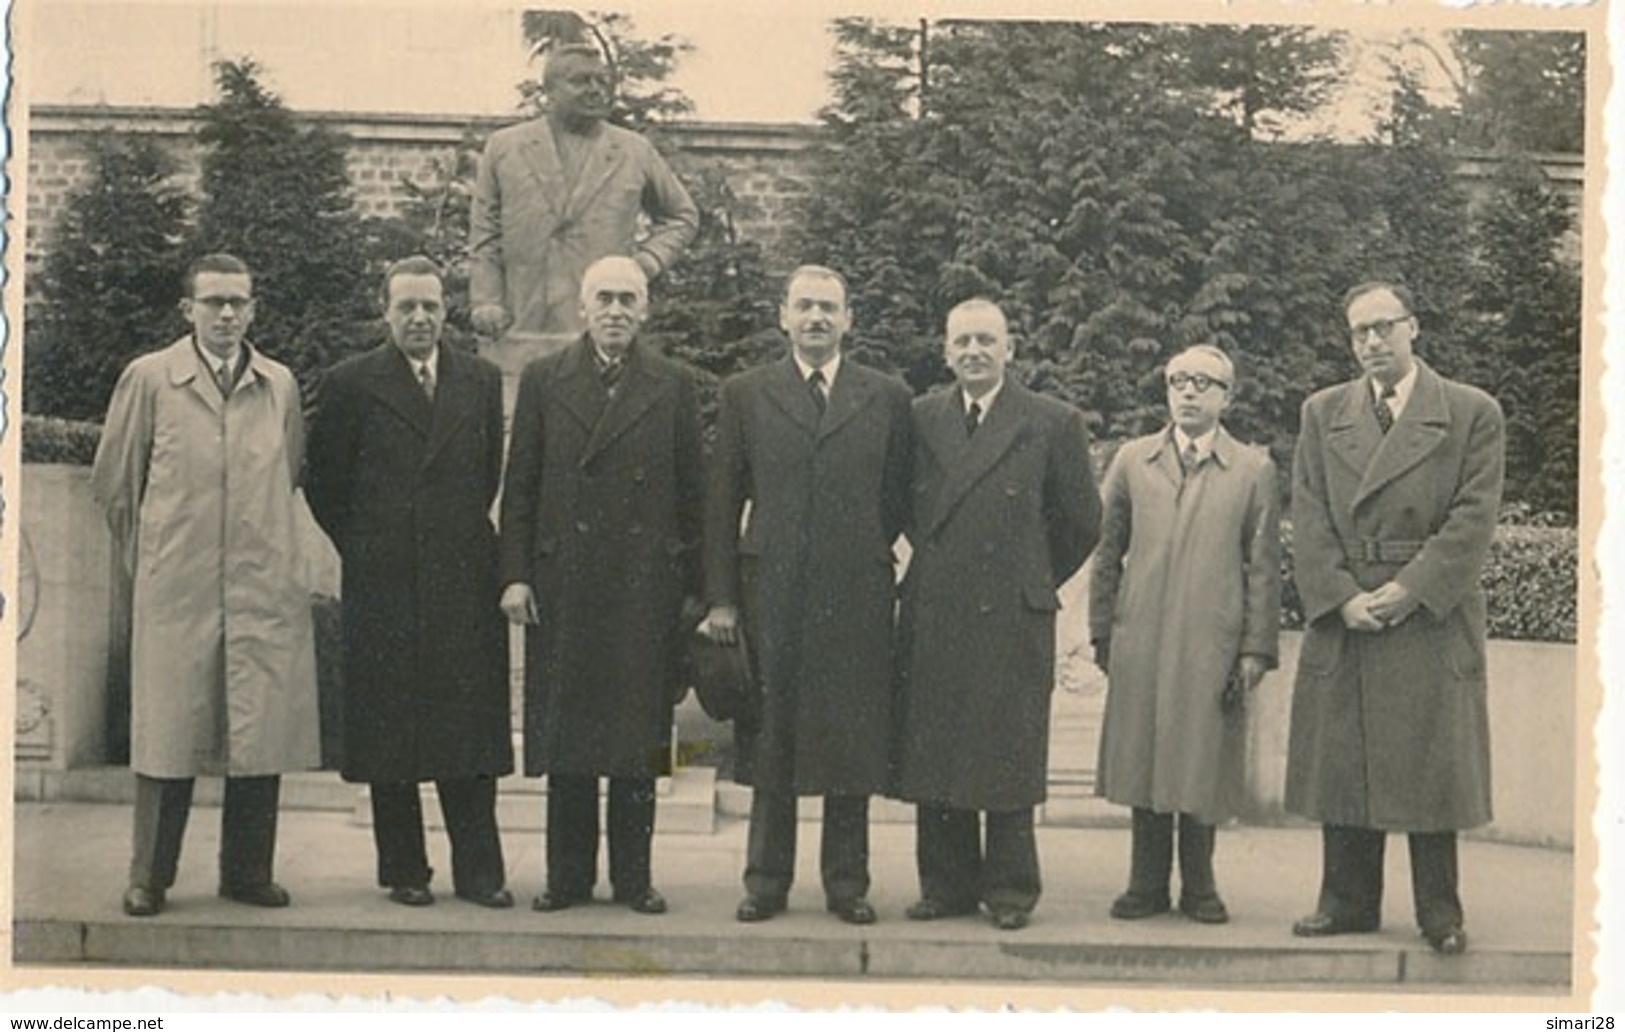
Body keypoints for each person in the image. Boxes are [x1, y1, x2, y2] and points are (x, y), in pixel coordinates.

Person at [91, 252, 320, 918]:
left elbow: (290, 474)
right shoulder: (151, 379)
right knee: (169, 733)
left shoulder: (278, 385)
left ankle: (246, 873)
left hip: (260, 584)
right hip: (178, 589)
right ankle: (150, 877)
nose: (226, 315)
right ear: (187, 309)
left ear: (253, 309)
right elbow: (115, 486)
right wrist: (158, 562)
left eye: (238, 303)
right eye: (213, 301)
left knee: (259, 731)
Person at [1285, 281, 1504, 956]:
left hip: (1428, 616)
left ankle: (1439, 910)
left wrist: (1408, 590)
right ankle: (1344, 901)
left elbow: (1471, 522)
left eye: (1384, 327)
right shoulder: (1322, 413)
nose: (1372, 342)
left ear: (1414, 329)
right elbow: (1310, 514)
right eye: (1359, 332)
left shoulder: (1470, 413)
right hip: (1347, 608)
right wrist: (1339, 594)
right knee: (1343, 761)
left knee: (1431, 765)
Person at [701, 265, 912, 925]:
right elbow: (720, 503)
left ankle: (846, 884)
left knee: (848, 741)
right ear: (782, 317)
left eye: (828, 307)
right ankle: (765, 881)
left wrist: (868, 555)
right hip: (772, 592)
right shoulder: (746, 393)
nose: (816, 318)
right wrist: (722, 601)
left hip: (854, 595)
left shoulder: (886, 396)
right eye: (804, 307)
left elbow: (898, 496)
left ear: (849, 319)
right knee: (770, 739)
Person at [305, 256, 514, 910]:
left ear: (445, 310)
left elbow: (487, 474)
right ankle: (405, 870)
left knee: (468, 731)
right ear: (385, 311)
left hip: (462, 578)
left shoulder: (479, 380)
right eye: (406, 308)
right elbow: (325, 483)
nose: (419, 318)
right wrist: (370, 547)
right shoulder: (349, 384)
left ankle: (480, 874)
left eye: (429, 306)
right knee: (391, 730)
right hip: (385, 581)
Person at [498, 256, 704, 915]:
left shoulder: (672, 385)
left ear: (645, 310)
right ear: (582, 310)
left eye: (628, 299)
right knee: (569, 737)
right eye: (604, 299)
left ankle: (634, 878)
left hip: (645, 588)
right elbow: (521, 485)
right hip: (566, 584)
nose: (616, 311)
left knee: (638, 739)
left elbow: (692, 496)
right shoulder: (542, 380)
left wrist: (693, 590)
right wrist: (516, 576)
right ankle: (566, 877)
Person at [893, 299, 1100, 932]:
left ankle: (1011, 890)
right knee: (938, 746)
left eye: (986, 340)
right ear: (946, 351)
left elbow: (1082, 522)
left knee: (1006, 752)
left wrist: (1028, 576)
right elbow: (905, 507)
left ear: (1010, 349)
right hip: (937, 607)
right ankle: (945, 885)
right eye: (962, 342)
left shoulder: (1051, 421)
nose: (974, 352)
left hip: (1012, 612)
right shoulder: (921, 418)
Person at [1089, 344, 1281, 926]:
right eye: (1179, 381)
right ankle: (1144, 884)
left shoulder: (1252, 469)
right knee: (1145, 757)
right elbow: (1106, 554)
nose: (1190, 392)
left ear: (1227, 395)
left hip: (1211, 641)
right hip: (1141, 633)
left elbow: (1263, 566)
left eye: (1204, 382)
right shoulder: (1131, 460)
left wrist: (1254, 648)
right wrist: (1102, 630)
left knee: (1202, 761)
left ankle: (1200, 886)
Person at [469, 41, 698, 396]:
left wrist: (643, 264)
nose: (595, 89)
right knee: (522, 440)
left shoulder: (633, 151)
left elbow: (682, 215)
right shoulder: (505, 147)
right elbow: (484, 236)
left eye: (600, 81)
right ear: (549, 91)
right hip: (521, 328)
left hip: (601, 332)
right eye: (580, 81)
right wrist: (486, 301)